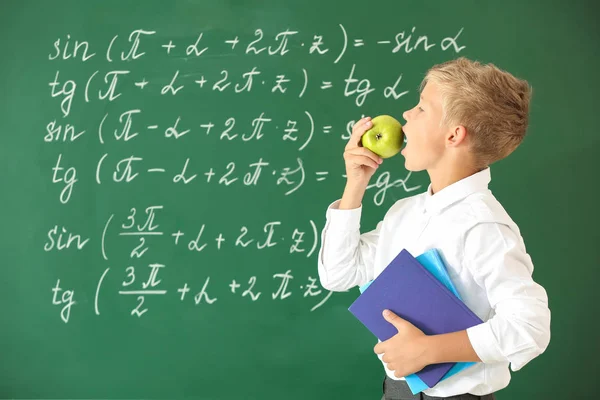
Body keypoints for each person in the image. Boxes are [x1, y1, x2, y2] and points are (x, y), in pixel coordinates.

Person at [317, 57, 551, 399]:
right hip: (396, 392)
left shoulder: (483, 226)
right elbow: (338, 274)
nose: (407, 116)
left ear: (454, 135)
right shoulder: (405, 213)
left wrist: (430, 350)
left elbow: (529, 328)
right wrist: (355, 184)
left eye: (422, 108)